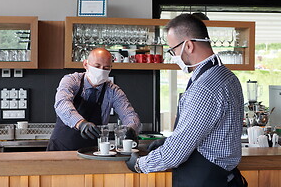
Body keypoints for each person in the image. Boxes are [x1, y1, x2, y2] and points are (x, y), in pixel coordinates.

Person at [126, 14, 247, 187]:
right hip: (223, 177)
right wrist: (169, 140)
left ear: (188, 45)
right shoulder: (227, 76)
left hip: (204, 181)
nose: (173, 56)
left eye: (172, 50)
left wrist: (139, 165)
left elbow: (175, 154)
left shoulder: (204, 88)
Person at [47, 48, 141, 151]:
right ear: (85, 64)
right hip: (60, 148)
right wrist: (81, 123)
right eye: (97, 66)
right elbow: (62, 104)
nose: (101, 70)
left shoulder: (113, 91)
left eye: (106, 68)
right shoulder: (71, 81)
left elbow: (129, 114)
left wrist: (132, 129)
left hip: (91, 151)